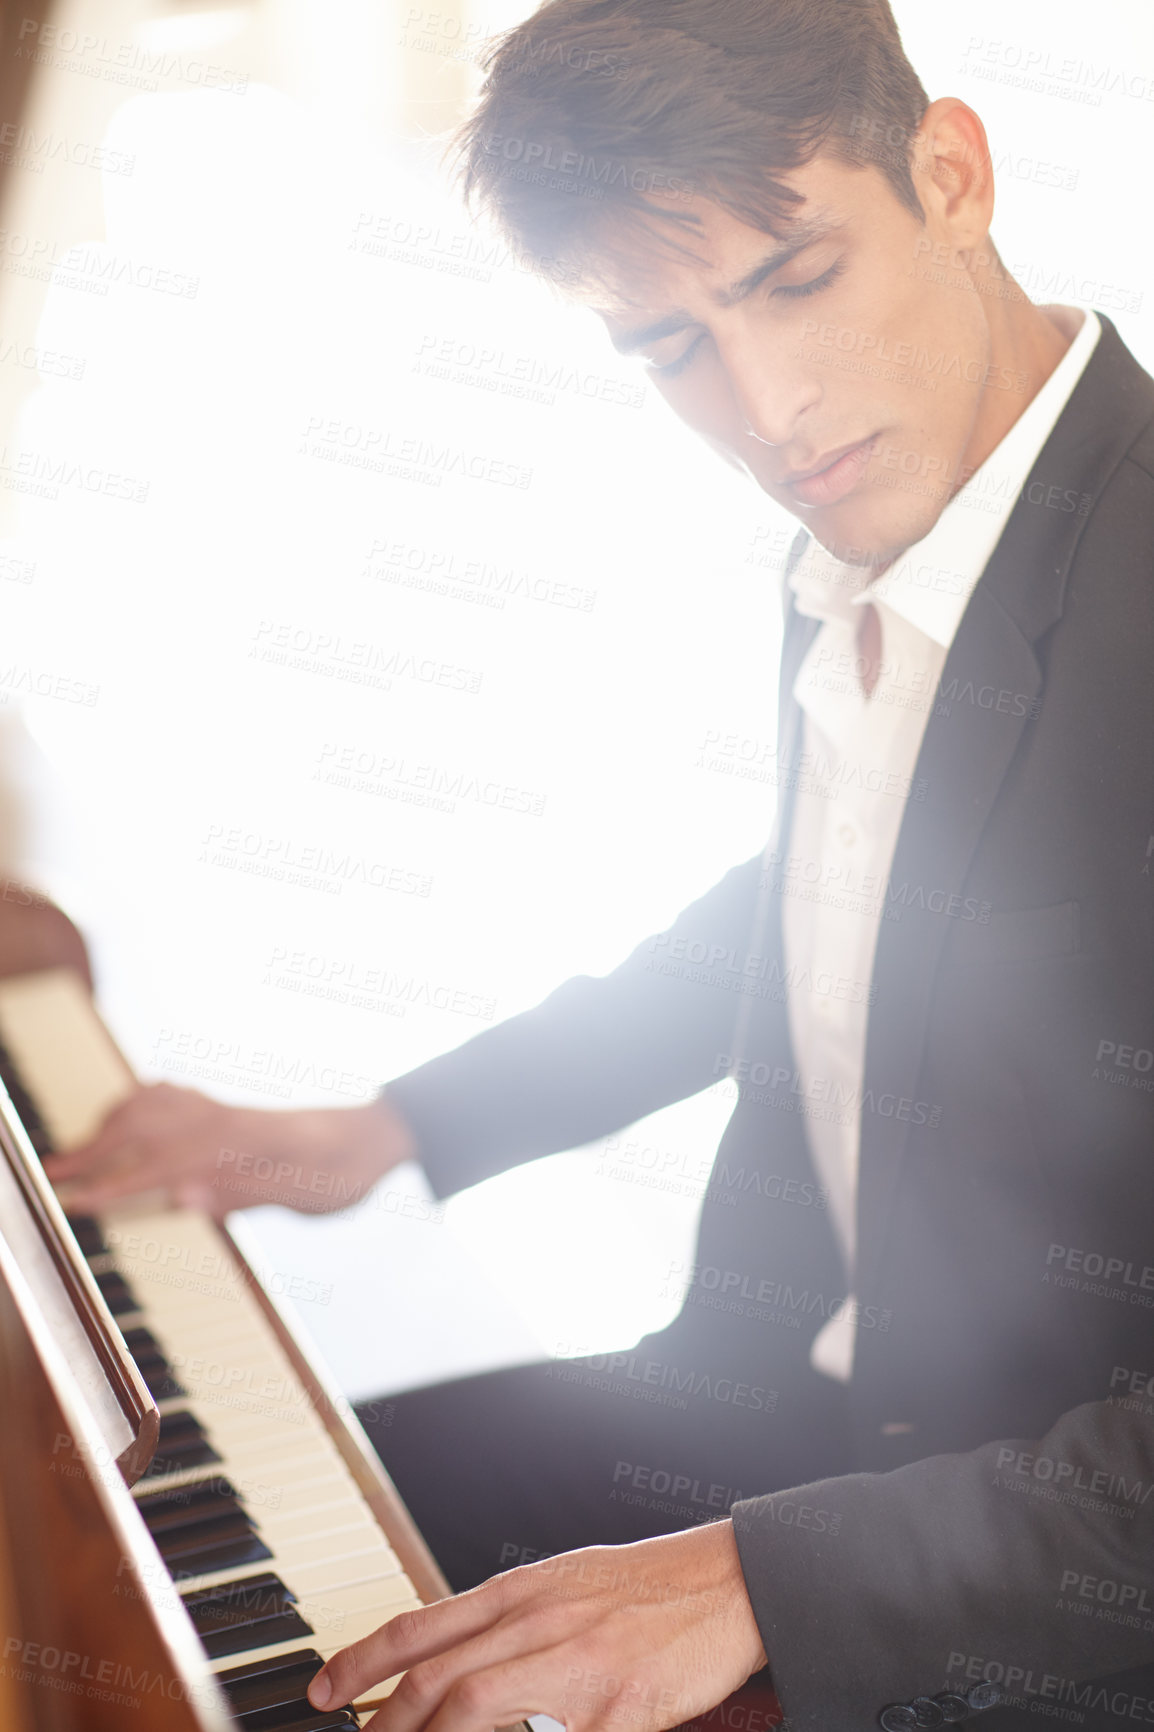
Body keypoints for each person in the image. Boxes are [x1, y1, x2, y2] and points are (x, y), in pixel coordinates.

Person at [46, 2, 1154, 1728]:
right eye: (662, 345)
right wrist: (395, 1127)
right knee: (172, 1568)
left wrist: (758, 1576)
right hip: (761, 1411)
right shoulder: (889, 511)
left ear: (950, 172)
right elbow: (821, 901)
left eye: (793, 279)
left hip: (1042, 1580)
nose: (766, 409)